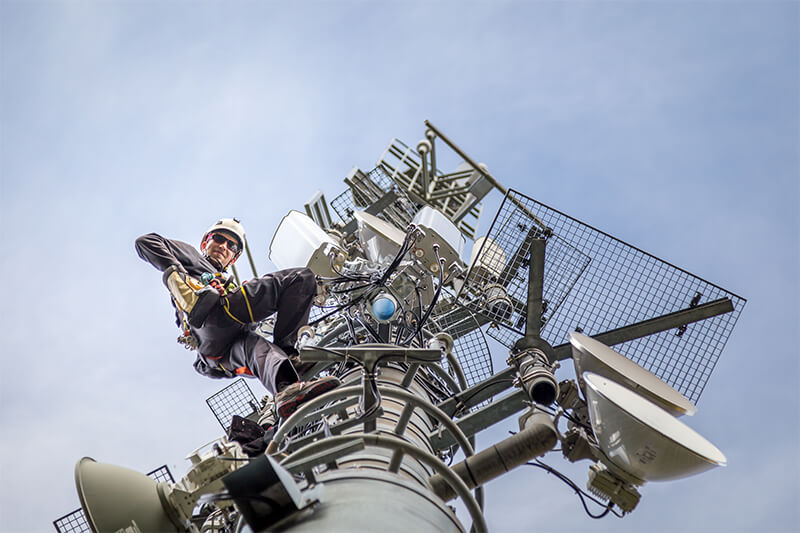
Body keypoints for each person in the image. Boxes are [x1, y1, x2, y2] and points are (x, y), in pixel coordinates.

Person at [135, 218, 339, 420]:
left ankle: (288, 389)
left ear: (234, 258)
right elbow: (146, 241)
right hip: (210, 315)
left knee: (261, 352)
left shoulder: (227, 281)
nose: (223, 246)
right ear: (206, 242)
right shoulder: (192, 256)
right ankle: (288, 353)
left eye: (231, 245)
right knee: (300, 278)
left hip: (222, 351)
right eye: (218, 239)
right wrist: (178, 275)